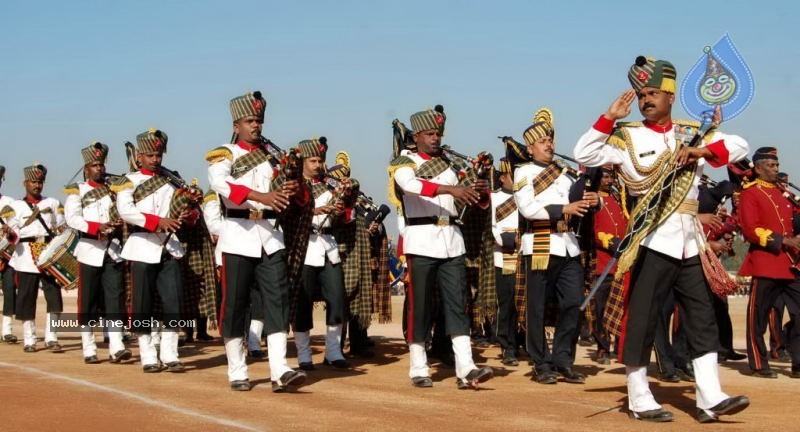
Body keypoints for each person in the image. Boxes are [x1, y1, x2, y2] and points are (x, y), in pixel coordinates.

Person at [574, 56, 750, 422]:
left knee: (702, 319)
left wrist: (702, 151)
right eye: (641, 95)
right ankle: (639, 398)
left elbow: (739, 146)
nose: (645, 100)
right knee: (643, 318)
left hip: (689, 243)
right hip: (652, 241)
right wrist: (610, 116)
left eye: (653, 93)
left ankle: (709, 396)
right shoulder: (627, 136)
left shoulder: (693, 132)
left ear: (670, 95)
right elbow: (584, 153)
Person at [206, 91, 307, 392]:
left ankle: (280, 370)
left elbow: (292, 191)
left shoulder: (274, 154)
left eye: (259, 120)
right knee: (235, 303)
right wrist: (260, 196)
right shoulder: (224, 154)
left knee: (278, 301)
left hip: (271, 236)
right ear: (236, 125)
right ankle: (237, 370)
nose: (256, 126)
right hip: (238, 234)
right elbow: (220, 184)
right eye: (250, 120)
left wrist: (291, 187)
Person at [388, 107, 493, 389]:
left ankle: (466, 368)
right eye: (430, 134)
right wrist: (452, 190)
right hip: (421, 239)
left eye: (438, 133)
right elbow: (409, 186)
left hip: (453, 241)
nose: (436, 138)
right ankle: (418, 367)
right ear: (416, 136)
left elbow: (468, 199)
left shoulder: (450, 163)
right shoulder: (403, 161)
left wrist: (479, 190)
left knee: (459, 304)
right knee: (421, 306)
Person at [513, 108, 598, 385]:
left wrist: (592, 200)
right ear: (530, 148)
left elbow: (579, 201)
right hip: (539, 245)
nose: (549, 145)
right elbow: (527, 208)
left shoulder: (564, 173)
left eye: (550, 140)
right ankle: (541, 363)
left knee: (573, 303)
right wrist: (565, 208)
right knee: (536, 308)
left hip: (567, 246)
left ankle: (563, 360)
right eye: (542, 142)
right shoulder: (523, 172)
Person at [113, 128, 186, 373]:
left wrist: (189, 214)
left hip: (169, 247)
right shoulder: (127, 182)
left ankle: (170, 354)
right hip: (142, 246)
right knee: (142, 303)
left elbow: (183, 205)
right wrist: (157, 221)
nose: (156, 160)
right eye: (150, 155)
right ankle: (148, 355)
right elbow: (126, 212)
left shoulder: (173, 179)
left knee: (173, 302)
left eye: (159, 155)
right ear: (140, 156)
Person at [63, 142, 131, 364]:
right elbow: (72, 218)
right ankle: (89, 347)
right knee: (88, 301)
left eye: (101, 164)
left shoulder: (115, 187)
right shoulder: (77, 190)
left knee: (115, 298)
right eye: (94, 165)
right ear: (86, 168)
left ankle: (116, 346)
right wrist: (96, 227)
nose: (99, 169)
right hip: (90, 250)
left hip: (113, 251)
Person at [738, 147, 800, 379]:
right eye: (771, 166)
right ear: (758, 167)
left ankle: (798, 362)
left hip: (790, 263)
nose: (776, 169)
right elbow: (750, 229)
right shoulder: (750, 193)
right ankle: (758, 364)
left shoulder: (782, 192)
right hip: (765, 263)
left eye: (777, 165)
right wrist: (784, 240)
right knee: (758, 318)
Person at [293, 137, 351, 370]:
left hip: (328, 246)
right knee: (302, 302)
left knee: (337, 299)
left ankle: (334, 352)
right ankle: (304, 354)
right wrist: (314, 210)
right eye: (313, 160)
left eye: (320, 160)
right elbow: (285, 215)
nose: (318, 165)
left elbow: (349, 217)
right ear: (303, 161)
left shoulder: (332, 185)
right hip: (304, 247)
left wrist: (340, 210)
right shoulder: (294, 186)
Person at [1, 164, 65, 353]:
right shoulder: (14, 207)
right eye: (33, 181)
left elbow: (61, 229)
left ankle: (52, 337)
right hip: (25, 255)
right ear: (25, 183)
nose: (37, 185)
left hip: (48, 255)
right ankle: (29, 339)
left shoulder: (53, 203)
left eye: (40, 182)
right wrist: (9, 233)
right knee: (27, 298)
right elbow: (12, 235)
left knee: (54, 297)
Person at [591, 166, 627, 365]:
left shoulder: (618, 199)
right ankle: (602, 348)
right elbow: (590, 229)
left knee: (621, 308)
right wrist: (607, 241)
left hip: (621, 262)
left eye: (610, 176)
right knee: (600, 309)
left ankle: (619, 347)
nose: (608, 179)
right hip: (602, 261)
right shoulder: (593, 199)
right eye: (604, 176)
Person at [490, 157, 521, 366]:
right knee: (507, 304)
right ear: (502, 178)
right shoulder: (494, 198)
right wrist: (515, 238)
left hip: (528, 254)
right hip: (505, 256)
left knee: (525, 304)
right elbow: (495, 230)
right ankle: (507, 345)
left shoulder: (526, 195)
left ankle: (523, 342)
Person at [0, 165, 18, 343]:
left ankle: (7, 330)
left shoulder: (10, 202)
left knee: (10, 289)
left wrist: (9, 230)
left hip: (5, 255)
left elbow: (17, 228)